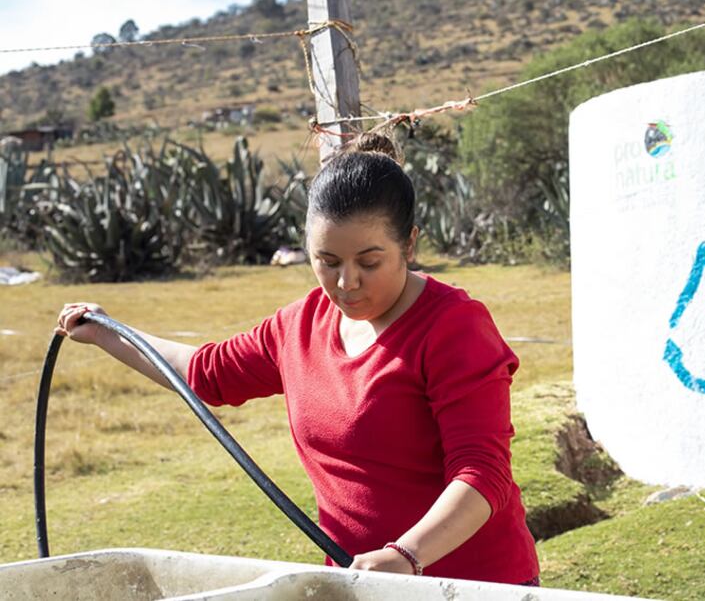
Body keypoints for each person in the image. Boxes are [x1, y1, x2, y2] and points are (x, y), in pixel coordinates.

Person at [55, 141, 541, 586]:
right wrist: (106, 332)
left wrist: (405, 556)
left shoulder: (453, 327)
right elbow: (206, 373)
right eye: (327, 261)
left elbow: (482, 474)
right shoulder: (300, 325)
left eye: (369, 263)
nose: (346, 282)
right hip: (361, 584)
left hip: (470, 585)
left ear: (409, 245)